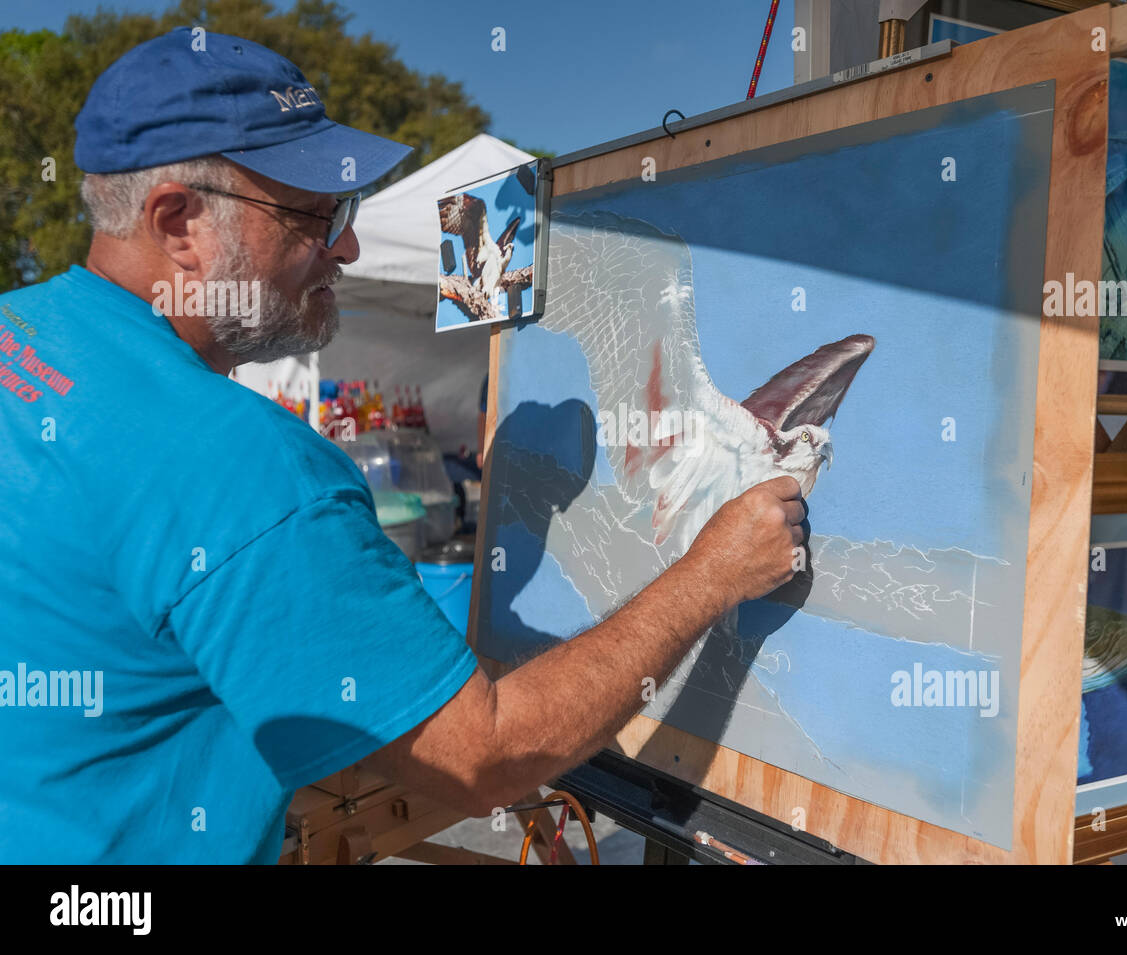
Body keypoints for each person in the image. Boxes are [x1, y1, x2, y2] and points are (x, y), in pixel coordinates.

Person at [0, 28, 806, 863]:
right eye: (315, 213)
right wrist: (715, 569)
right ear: (179, 224)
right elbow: (486, 754)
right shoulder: (244, 467)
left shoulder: (21, 331)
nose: (345, 245)